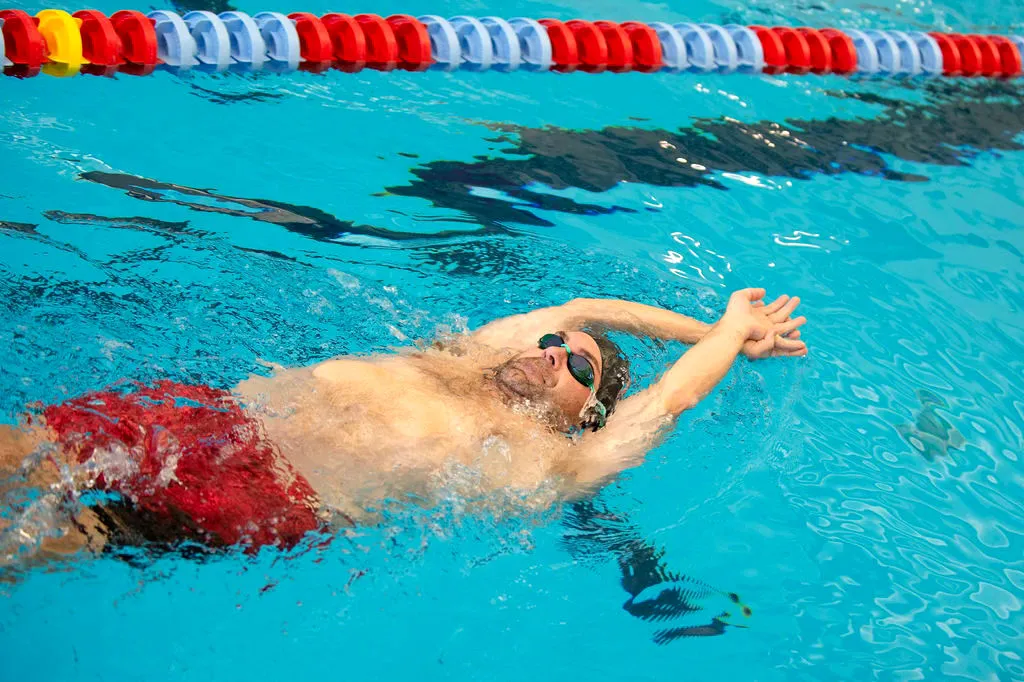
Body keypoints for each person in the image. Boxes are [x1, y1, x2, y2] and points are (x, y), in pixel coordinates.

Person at [0, 289, 806, 569]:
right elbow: (582, 309)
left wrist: (735, 337)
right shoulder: (472, 355)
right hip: (209, 418)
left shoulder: (546, 456)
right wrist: (713, 325)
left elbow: (667, 402)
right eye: (554, 349)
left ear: (586, 416)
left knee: (58, 541)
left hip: (265, 494)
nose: (554, 355)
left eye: (579, 370)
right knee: (20, 450)